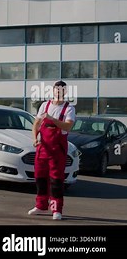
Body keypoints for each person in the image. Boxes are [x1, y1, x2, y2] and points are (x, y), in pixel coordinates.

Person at [28, 80, 76, 220]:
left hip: (57, 150)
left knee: (56, 180)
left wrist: (51, 119)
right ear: (53, 91)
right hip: (43, 148)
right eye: (56, 90)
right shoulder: (45, 105)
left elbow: (67, 127)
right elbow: (36, 124)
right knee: (40, 178)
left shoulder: (69, 108)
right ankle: (41, 205)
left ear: (65, 92)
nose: (58, 92)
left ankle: (56, 210)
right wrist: (34, 138)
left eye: (61, 90)